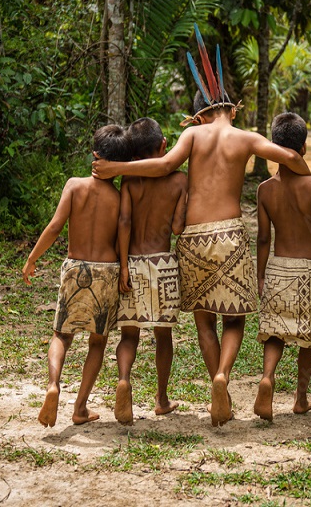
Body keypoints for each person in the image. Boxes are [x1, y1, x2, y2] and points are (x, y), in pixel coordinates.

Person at [92, 34, 310, 426]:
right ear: (230, 108)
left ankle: (215, 382)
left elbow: (162, 167)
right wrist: (305, 174)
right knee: (235, 320)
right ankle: (223, 376)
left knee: (204, 321)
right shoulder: (246, 138)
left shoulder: (192, 135)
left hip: (192, 239)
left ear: (201, 113)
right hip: (229, 235)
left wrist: (117, 169)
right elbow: (291, 158)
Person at [23, 124, 131, 428]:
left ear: (95, 156)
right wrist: (123, 268)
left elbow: (56, 226)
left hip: (75, 268)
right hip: (107, 272)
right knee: (97, 343)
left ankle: (53, 385)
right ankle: (80, 407)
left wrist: (33, 257)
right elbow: (123, 233)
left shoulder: (74, 185)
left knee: (62, 334)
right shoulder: (120, 196)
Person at [252, 112, 311, 422]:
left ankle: (267, 378)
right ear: (303, 148)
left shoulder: (264, 189)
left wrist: (261, 276)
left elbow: (263, 239)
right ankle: (300, 398)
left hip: (278, 269)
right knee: (309, 335)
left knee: (276, 332)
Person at [113, 117, 188, 425]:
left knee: (129, 335)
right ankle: (162, 397)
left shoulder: (129, 181)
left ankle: (124, 380)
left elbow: (124, 223)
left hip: (131, 262)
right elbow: (177, 226)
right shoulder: (180, 180)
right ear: (164, 146)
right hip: (163, 266)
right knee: (163, 336)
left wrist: (122, 265)